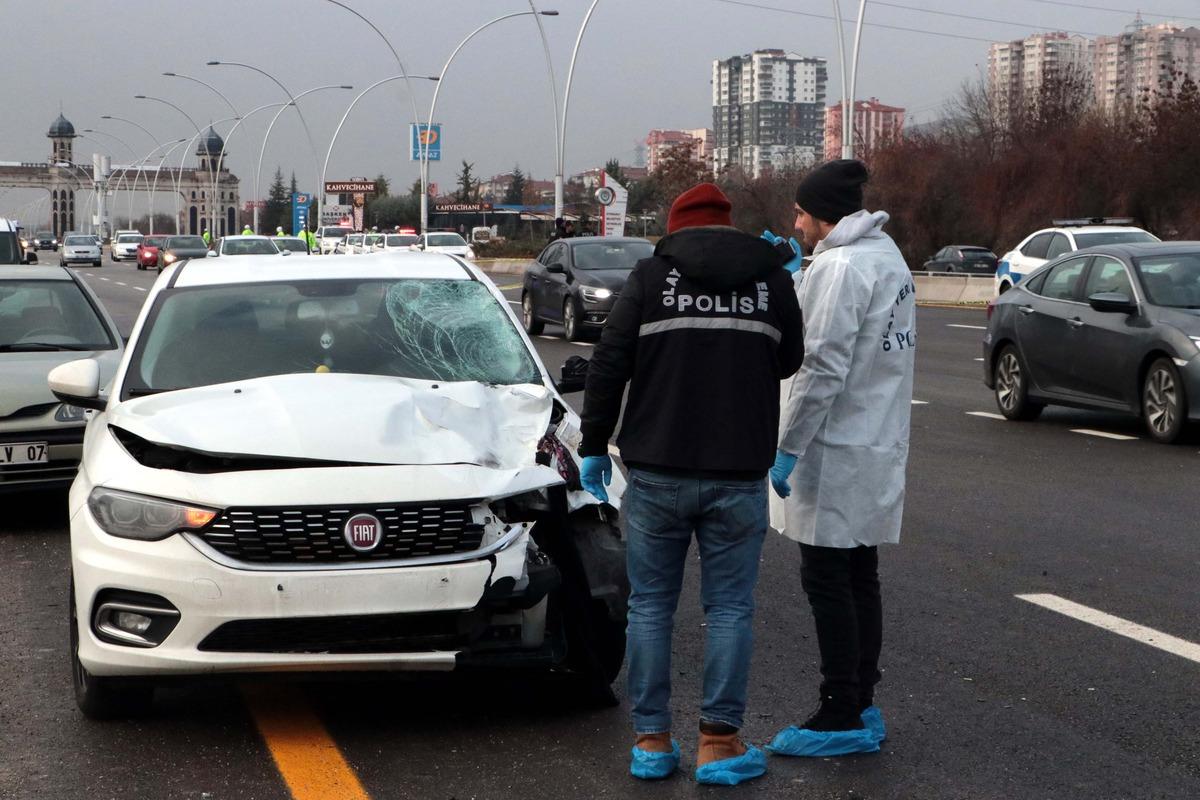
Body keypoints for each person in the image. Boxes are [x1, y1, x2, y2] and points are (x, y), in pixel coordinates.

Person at [578, 183, 804, 785]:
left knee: (650, 606)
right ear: (730, 226)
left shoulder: (651, 278)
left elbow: (608, 365)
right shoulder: (771, 279)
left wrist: (594, 446)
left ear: (675, 230)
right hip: (739, 471)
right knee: (729, 608)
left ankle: (652, 742)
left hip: (657, 468)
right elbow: (790, 359)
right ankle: (719, 745)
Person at [765, 159, 916, 759]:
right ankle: (861, 700)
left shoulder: (842, 266)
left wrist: (787, 447)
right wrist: (799, 280)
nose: (795, 224)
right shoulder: (885, 256)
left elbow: (820, 365)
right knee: (859, 574)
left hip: (833, 445)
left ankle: (840, 710)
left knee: (828, 579)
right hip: (873, 438)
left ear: (823, 216)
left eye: (800, 213)